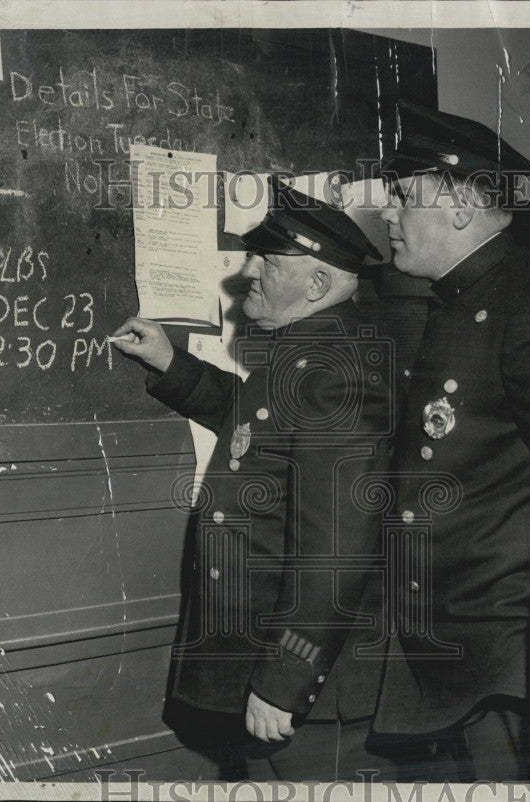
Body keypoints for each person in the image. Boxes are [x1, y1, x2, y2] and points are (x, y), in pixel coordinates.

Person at [112, 179, 393, 781]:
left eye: (269, 258)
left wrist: (287, 679)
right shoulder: (304, 353)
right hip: (258, 663)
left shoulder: (335, 374)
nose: (250, 271)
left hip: (299, 693)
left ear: (318, 285)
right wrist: (172, 363)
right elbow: (259, 429)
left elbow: (337, 550)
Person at [371, 101, 530, 781]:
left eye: (402, 197)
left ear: (459, 206)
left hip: (502, 669)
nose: (389, 213)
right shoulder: (458, 304)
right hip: (444, 662)